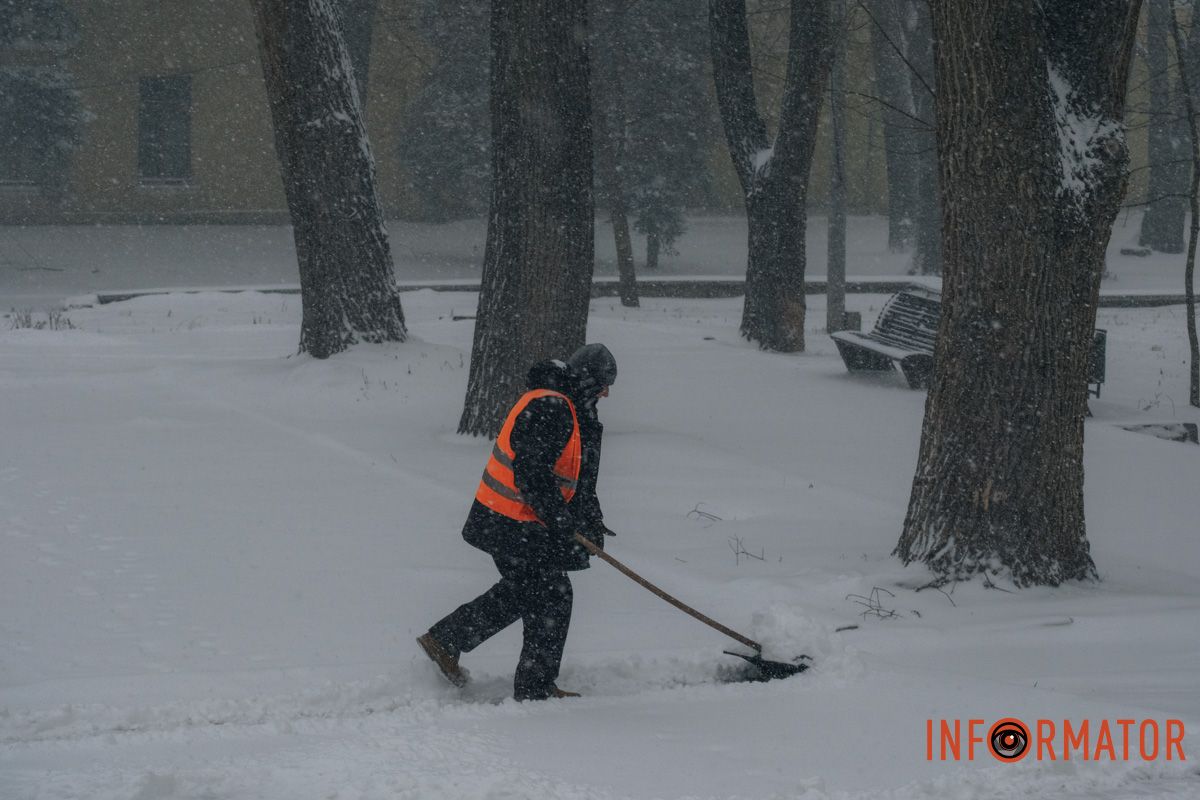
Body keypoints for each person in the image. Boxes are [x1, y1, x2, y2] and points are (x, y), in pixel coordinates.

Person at [417, 343, 617, 701]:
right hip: (509, 522)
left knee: (530, 592)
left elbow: (577, 478)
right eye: (603, 384)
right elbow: (532, 474)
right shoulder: (550, 407)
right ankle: (530, 686)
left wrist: (591, 521)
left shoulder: (572, 410)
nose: (606, 393)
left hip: (517, 524)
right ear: (586, 380)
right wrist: (562, 522)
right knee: (549, 595)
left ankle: (448, 640)